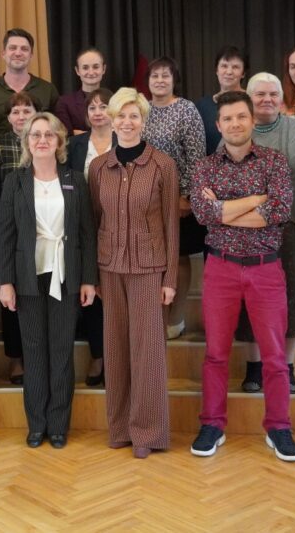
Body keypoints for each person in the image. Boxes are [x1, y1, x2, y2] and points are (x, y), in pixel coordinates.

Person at [188, 90, 295, 462]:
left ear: (252, 121)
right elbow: (204, 215)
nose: (235, 124)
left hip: (265, 268)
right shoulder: (205, 167)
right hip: (220, 268)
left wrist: (223, 209)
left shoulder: (274, 162)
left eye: (241, 116)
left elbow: (279, 211)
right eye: (228, 119)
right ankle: (212, 424)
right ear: (218, 125)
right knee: (215, 354)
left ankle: (279, 427)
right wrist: (255, 200)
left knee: (275, 356)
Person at [88, 88, 179, 459]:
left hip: (148, 269)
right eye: (121, 116)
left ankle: (148, 432)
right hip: (110, 268)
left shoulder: (163, 165)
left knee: (148, 352)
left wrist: (170, 279)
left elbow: (171, 223)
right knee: (115, 349)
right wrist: (94, 276)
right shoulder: (98, 168)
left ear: (143, 121)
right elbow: (95, 221)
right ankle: (120, 428)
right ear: (111, 120)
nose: (127, 122)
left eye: (134, 116)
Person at [0, 113, 97, 449]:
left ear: (59, 141)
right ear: (27, 141)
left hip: (66, 275)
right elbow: (5, 236)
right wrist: (5, 282)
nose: (42, 140)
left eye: (48, 135)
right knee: (34, 351)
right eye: (35, 135)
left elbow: (86, 233)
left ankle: (58, 424)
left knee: (61, 350)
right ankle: (36, 424)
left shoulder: (75, 180)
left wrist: (88, 279)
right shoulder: (14, 181)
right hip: (27, 277)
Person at [233, 74, 295, 396]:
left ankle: (286, 367)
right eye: (260, 94)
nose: (267, 99)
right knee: (249, 299)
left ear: (281, 97)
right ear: (249, 98)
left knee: (294, 295)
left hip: (294, 227)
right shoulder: (236, 130)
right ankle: (254, 366)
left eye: (273, 94)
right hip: (245, 231)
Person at [141, 57, 207, 341]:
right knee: (151, 259)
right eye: (154, 76)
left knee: (178, 257)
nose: (159, 80)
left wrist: (186, 196)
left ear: (174, 80)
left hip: (178, 199)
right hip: (144, 199)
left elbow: (197, 156)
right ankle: (153, 318)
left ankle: (175, 319)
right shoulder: (141, 109)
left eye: (165, 75)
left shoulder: (186, 109)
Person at [0, 91, 38, 384]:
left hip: (44, 229)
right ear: (8, 117)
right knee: (12, 297)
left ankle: (37, 357)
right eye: (15, 112)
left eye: (26, 110)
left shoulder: (45, 140)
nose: (21, 116)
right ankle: (16, 359)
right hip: (10, 230)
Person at [66, 87, 115, 386]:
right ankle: (98, 355)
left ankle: (117, 357)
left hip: (118, 226)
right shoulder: (75, 144)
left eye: (103, 106)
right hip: (82, 227)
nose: (97, 112)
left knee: (115, 293)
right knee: (91, 290)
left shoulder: (125, 140)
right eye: (92, 107)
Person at [0, 28, 59, 140]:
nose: (18, 53)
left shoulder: (48, 90)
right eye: (12, 48)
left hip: (39, 150)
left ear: (31, 55)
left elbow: (56, 131)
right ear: (3, 53)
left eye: (24, 49)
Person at [195, 47, 247, 155]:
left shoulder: (253, 102)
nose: (229, 72)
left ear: (243, 73)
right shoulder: (202, 106)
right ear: (217, 71)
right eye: (224, 66)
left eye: (235, 67)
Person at [54, 47, 106, 135]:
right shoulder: (64, 103)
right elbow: (65, 135)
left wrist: (79, 133)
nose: (91, 72)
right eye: (85, 68)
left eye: (96, 67)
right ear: (77, 71)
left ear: (103, 69)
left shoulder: (114, 100)